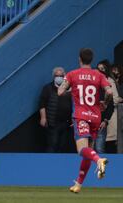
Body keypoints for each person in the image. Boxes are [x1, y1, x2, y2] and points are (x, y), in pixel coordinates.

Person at [58, 48, 112, 193]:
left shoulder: (72, 74)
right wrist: (105, 103)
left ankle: (99, 160)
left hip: (81, 115)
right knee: (88, 152)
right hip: (95, 117)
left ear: (79, 59)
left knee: (82, 150)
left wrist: (72, 89)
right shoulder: (99, 75)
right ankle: (78, 185)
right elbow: (110, 91)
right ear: (91, 59)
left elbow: (60, 91)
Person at [39, 67, 72, 153]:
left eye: (61, 75)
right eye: (57, 76)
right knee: (52, 145)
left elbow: (73, 104)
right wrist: (43, 117)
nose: (59, 77)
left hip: (66, 123)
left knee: (63, 146)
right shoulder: (47, 88)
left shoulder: (68, 88)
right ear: (53, 77)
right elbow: (42, 104)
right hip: (53, 122)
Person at [94, 60, 116, 153]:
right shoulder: (88, 89)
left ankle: (101, 168)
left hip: (101, 123)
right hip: (88, 123)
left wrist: (105, 120)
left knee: (99, 149)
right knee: (88, 150)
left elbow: (110, 106)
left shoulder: (107, 88)